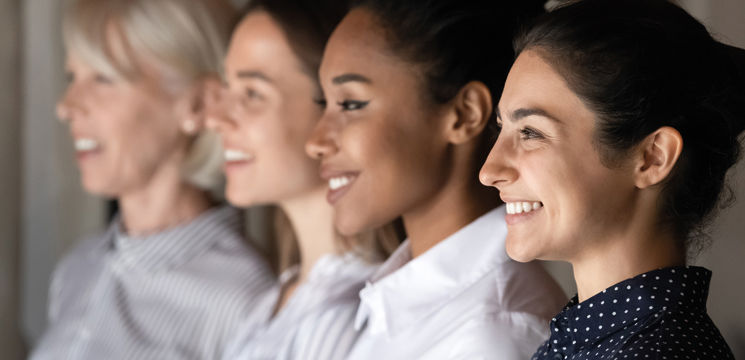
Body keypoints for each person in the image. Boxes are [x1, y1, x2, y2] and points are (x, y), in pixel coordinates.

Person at [479, 0, 745, 358]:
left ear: (653, 157)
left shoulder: (656, 352)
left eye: (530, 132)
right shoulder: (592, 342)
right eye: (502, 128)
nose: (489, 171)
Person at [305, 0, 567, 358]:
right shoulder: (400, 302)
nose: (315, 142)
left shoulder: (491, 334)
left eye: (350, 104)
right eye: (326, 103)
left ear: (463, 114)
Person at [30, 0, 275, 359]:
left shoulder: (245, 300)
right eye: (72, 77)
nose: (66, 106)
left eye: (102, 77)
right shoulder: (76, 269)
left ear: (199, 103)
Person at [206, 1, 400, 359]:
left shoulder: (354, 314)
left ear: (332, 103)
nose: (217, 119)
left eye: (252, 93)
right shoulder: (278, 297)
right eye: (227, 86)